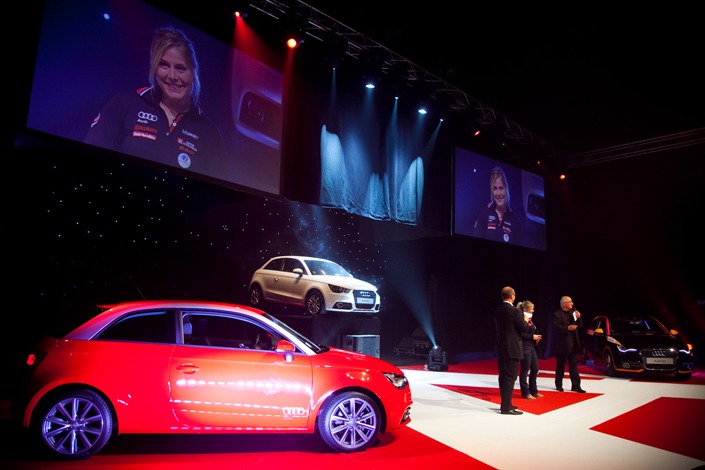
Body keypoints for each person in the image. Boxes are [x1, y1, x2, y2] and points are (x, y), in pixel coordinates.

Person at [85, 26, 227, 177]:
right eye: (164, 65)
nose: (172, 76)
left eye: (180, 68)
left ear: (193, 73)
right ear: (154, 68)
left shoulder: (210, 134)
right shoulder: (124, 103)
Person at [494, 286, 528, 415]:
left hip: (501, 347)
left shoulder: (498, 310)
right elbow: (523, 329)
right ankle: (506, 407)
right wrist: (525, 321)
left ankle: (506, 403)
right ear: (512, 296)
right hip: (512, 348)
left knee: (503, 376)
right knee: (510, 377)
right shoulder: (514, 311)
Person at [473, 166, 523, 244]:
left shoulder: (515, 221)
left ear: (506, 189)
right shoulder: (484, 214)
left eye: (501, 188)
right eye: (495, 188)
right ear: (492, 191)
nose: (498, 193)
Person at [553, 296, 586, 393]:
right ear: (564, 304)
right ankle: (559, 385)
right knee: (560, 366)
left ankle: (576, 386)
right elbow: (556, 327)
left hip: (574, 344)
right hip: (563, 345)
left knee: (574, 366)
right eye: (570, 302)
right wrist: (567, 328)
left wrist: (579, 318)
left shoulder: (573, 313)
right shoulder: (557, 314)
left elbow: (579, 325)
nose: (572, 303)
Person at [517, 300, 543, 399]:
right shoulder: (521, 319)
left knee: (535, 368)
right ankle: (525, 392)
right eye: (532, 308)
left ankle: (534, 390)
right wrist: (532, 337)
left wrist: (536, 338)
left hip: (531, 347)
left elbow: (532, 331)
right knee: (525, 370)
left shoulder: (530, 319)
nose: (533, 310)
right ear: (526, 309)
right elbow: (521, 334)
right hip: (524, 347)